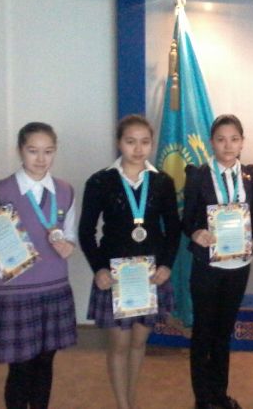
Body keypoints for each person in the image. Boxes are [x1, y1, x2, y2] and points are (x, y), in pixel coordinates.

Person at [78, 114, 180, 409]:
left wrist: (166, 264)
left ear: (152, 144)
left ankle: (131, 400)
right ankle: (123, 405)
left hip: (150, 276)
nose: (138, 149)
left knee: (138, 342)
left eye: (145, 142)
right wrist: (98, 268)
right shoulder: (100, 181)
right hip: (115, 276)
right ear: (119, 142)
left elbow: (173, 229)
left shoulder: (162, 181)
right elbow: (86, 232)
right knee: (120, 344)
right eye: (130, 141)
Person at [0, 122, 77, 409]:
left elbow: (70, 235)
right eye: (33, 151)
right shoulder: (0, 191)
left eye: (48, 151)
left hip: (54, 288)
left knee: (45, 362)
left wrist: (68, 246)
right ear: (20, 150)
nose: (41, 159)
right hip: (15, 293)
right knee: (20, 367)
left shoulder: (65, 191)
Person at [182, 114, 253, 409]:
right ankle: (202, 400)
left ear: (242, 142)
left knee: (224, 333)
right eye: (221, 139)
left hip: (238, 267)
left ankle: (219, 395)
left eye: (234, 139)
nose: (228, 145)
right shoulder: (198, 175)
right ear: (211, 142)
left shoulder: (250, 175)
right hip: (208, 266)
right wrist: (196, 232)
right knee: (203, 333)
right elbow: (187, 220)